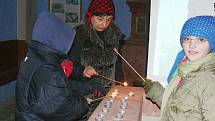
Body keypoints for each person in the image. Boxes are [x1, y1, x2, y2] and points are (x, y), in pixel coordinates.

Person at [134, 15, 215, 120]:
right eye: (187, 39)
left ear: (212, 44)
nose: (192, 45)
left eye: (200, 39)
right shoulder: (183, 69)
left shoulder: (210, 78)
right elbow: (175, 108)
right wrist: (154, 90)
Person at [16, 12, 90, 121]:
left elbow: (56, 89)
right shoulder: (46, 68)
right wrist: (83, 103)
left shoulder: (36, 57)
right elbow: (59, 108)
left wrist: (84, 85)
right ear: (55, 38)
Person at [68, 0, 124, 97]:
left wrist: (120, 85)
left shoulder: (114, 36)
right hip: (84, 94)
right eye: (100, 19)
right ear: (90, 16)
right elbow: (67, 67)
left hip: (109, 93)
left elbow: (118, 67)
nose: (104, 24)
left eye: (109, 20)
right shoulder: (79, 35)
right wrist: (83, 70)